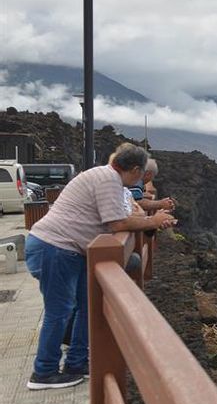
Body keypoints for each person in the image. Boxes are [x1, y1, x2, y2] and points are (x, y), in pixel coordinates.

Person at [25, 143, 177, 390]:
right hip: (54, 248)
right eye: (141, 175)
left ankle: (77, 362)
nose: (141, 181)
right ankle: (44, 372)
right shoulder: (107, 179)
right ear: (136, 169)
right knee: (60, 311)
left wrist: (151, 219)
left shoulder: (106, 177)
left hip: (68, 251)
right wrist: (154, 219)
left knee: (86, 306)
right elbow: (116, 223)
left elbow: (124, 217)